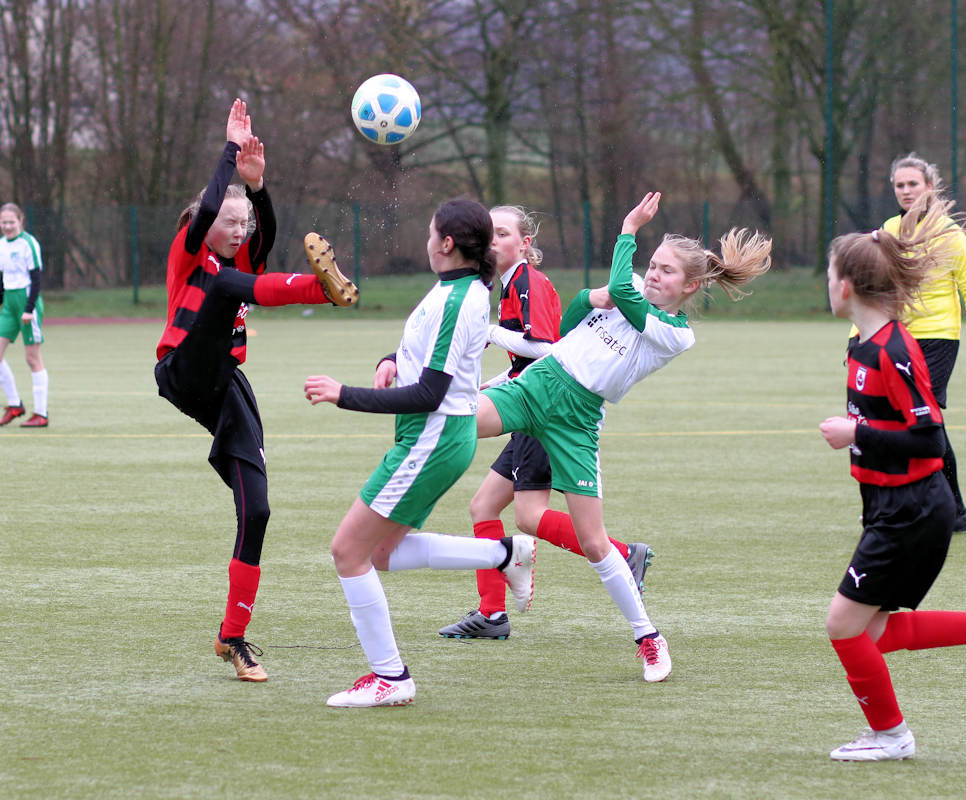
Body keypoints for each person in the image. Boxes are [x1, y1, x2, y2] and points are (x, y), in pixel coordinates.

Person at [476, 192, 772, 681]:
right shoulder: (629, 288)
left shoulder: (675, 331)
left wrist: (629, 228)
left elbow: (621, 286)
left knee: (594, 542)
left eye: (666, 271)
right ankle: (488, 553)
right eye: (652, 265)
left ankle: (648, 637)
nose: (653, 274)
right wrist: (587, 299)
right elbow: (571, 322)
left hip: (577, 419)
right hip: (538, 384)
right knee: (454, 428)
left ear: (690, 285)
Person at [154, 98, 358, 683]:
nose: (238, 227)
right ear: (206, 223)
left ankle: (234, 637)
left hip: (223, 385)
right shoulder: (189, 253)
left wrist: (258, 186)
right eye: (229, 219)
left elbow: (260, 237)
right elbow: (224, 242)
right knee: (227, 286)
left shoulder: (240, 249)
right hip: (183, 370)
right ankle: (318, 291)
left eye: (241, 222)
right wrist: (227, 152)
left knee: (259, 509)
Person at [303, 198, 537, 708]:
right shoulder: (457, 289)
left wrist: (345, 395)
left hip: (433, 438)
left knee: (348, 552)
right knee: (380, 554)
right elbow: (430, 355)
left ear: (447, 243)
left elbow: (431, 392)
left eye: (432, 233)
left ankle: (390, 677)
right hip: (431, 437)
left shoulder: (459, 299)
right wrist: (393, 360)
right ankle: (504, 553)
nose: (427, 240)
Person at [819, 190, 966, 762]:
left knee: (843, 625)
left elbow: (930, 437)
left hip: (913, 508)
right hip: (889, 506)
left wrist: (855, 434)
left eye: (829, 274)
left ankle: (891, 735)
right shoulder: (863, 343)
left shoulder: (894, 349)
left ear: (846, 286)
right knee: (873, 632)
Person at [439, 205, 652, 641]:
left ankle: (621, 553)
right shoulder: (508, 285)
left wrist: (491, 332)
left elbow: (547, 350)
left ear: (525, 243)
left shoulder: (527, 282)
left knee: (529, 517)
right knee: (484, 507)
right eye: (488, 233)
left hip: (545, 408)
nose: (493, 240)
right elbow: (522, 364)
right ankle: (492, 614)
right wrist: (483, 384)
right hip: (526, 402)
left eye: (502, 233)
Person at [879, 153, 966, 531]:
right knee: (902, 420)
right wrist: (857, 335)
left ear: (929, 187)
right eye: (899, 185)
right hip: (898, 338)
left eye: (913, 184)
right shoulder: (890, 229)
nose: (906, 191)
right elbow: (877, 288)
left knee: (927, 421)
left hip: (939, 338)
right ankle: (923, 506)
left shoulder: (950, 233)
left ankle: (952, 509)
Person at [0, 203, 49, 428]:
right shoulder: (0, 244)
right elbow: (3, 278)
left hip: (26, 301)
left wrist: (29, 309)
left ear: (21, 220)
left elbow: (37, 277)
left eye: (12, 222)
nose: (8, 226)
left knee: (32, 358)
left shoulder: (29, 244)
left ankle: (41, 413)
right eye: (4, 222)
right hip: (9, 304)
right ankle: (15, 405)